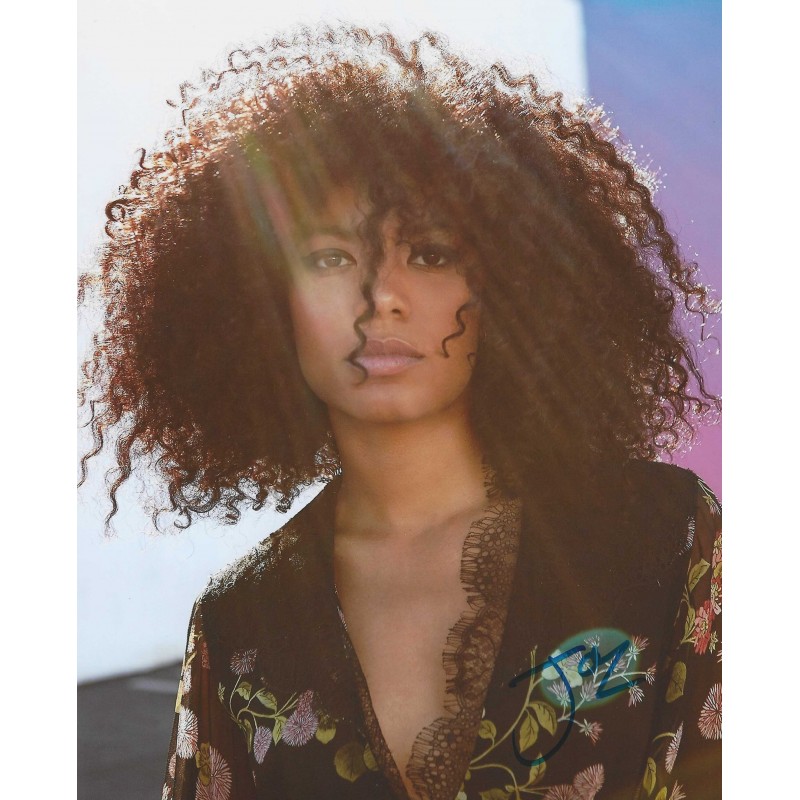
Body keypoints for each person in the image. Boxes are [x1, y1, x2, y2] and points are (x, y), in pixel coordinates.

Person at [79, 26, 722, 800]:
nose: (381, 296)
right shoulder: (242, 623)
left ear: (514, 286)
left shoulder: (662, 535)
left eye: (430, 253)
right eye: (329, 258)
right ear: (258, 304)